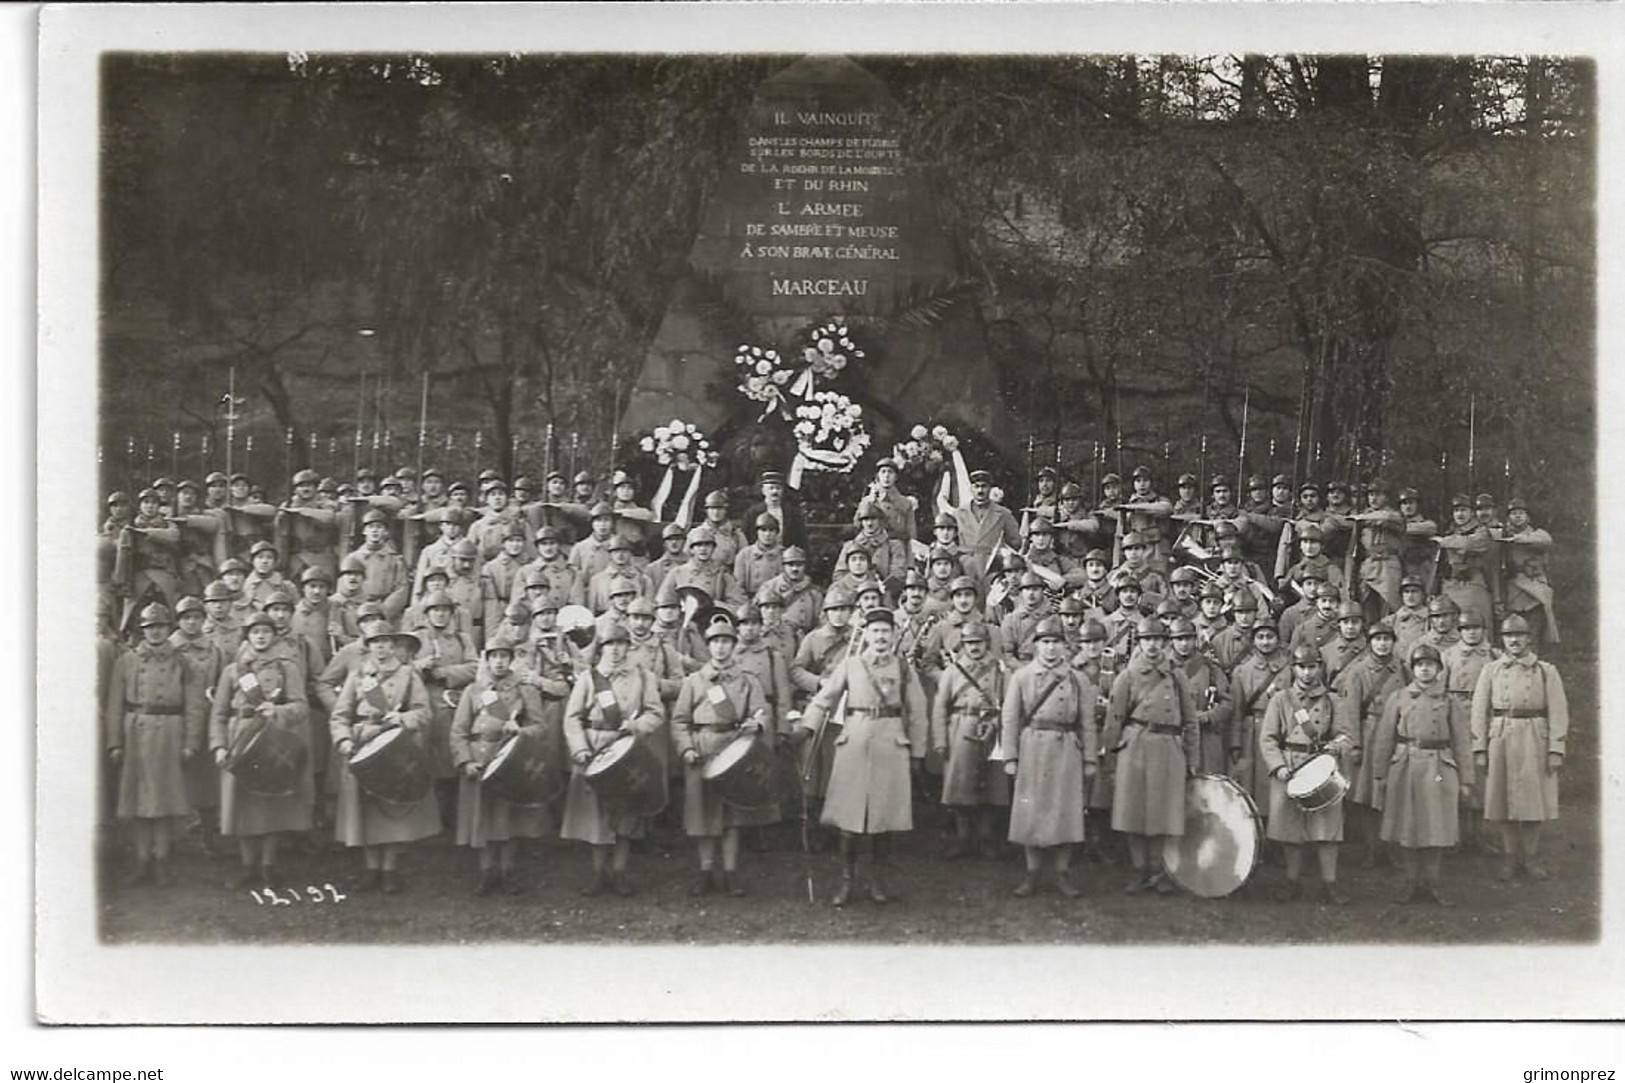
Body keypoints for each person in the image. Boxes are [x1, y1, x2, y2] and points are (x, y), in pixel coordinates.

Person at [793, 606, 931, 907]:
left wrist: (918, 753)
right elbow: (824, 698)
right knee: (849, 819)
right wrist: (806, 728)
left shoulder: (904, 669)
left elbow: (918, 714)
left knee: (884, 818)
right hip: (854, 744)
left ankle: (877, 881)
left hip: (890, 746)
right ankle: (847, 881)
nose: (880, 636)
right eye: (875, 631)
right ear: (866, 634)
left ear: (893, 635)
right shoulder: (851, 664)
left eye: (885, 631)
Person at [329, 624, 442, 893]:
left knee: (390, 811)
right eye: (375, 642)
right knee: (366, 809)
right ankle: (371, 869)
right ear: (368, 646)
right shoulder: (358, 675)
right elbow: (340, 715)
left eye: (385, 642)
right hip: (363, 744)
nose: (380, 647)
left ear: (394, 646)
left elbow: (424, 712)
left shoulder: (408, 675)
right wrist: (343, 739)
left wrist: (402, 718)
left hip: (395, 745)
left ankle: (389, 869)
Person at [209, 608, 315, 890]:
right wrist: (219, 746)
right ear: (248, 636)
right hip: (240, 740)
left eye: (265, 632)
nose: (260, 637)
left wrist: (277, 711)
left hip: (271, 740)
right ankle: (247, 866)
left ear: (274, 636)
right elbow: (219, 713)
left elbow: (301, 707)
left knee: (271, 803)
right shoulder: (233, 671)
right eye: (255, 632)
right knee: (242, 805)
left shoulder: (287, 667)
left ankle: (268, 866)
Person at [671, 612, 775, 897]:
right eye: (715, 641)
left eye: (726, 641)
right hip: (703, 749)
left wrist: (758, 723)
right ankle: (705, 872)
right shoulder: (695, 681)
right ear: (708, 645)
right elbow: (679, 720)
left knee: (732, 818)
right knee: (703, 817)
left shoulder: (747, 680)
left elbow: (762, 710)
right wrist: (687, 747)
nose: (720, 647)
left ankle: (730, 873)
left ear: (733, 644)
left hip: (735, 750)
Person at [560, 623, 667, 897]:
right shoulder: (589, 678)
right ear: (601, 648)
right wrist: (580, 748)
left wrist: (636, 726)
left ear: (628, 647)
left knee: (625, 813)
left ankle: (619, 872)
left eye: (621, 644)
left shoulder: (643, 677)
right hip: (595, 747)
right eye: (610, 644)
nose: (616, 650)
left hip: (627, 749)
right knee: (597, 813)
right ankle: (599, 873)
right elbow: (572, 717)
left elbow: (656, 713)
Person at [105, 603, 207, 886]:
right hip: (136, 732)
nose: (156, 632)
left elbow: (195, 706)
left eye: (161, 626)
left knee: (163, 800)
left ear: (169, 628)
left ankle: (161, 861)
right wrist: (115, 742)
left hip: (170, 734)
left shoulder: (183, 661)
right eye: (150, 627)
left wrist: (191, 743)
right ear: (142, 630)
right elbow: (114, 704)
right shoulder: (127, 660)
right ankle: (142, 861)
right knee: (139, 802)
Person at [449, 632, 554, 896]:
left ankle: (507, 871)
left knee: (509, 819)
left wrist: (520, 730)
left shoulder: (524, 690)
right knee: (483, 817)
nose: (499, 662)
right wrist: (465, 761)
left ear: (511, 659)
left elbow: (540, 727)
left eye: (504, 657)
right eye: (494, 657)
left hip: (510, 760)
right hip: (480, 759)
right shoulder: (473, 690)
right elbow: (458, 731)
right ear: (486, 659)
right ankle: (486, 872)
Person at [1371, 641, 1475, 905]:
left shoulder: (1449, 701)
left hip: (1439, 766)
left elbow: (1462, 741)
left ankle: (1432, 883)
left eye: (1430, 665)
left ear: (1439, 669)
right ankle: (1410, 882)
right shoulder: (1400, 697)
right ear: (1413, 669)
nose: (1425, 670)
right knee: (1408, 826)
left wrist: (1466, 779)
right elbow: (1385, 738)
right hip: (1406, 766)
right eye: (1419, 665)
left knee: (1436, 827)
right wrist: (1380, 774)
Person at [1001, 617, 1098, 897]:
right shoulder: (1021, 677)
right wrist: (1011, 757)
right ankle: (1031, 873)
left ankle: (1061, 873)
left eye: (1056, 642)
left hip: (1066, 749)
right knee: (1030, 811)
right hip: (1032, 748)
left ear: (1065, 646)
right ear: (1036, 646)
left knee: (1064, 811)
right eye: (1045, 642)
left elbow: (1087, 723)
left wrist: (1090, 759)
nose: (1051, 649)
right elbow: (1010, 719)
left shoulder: (1077, 679)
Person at [1471, 614, 1571, 882]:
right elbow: (1479, 711)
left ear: (1529, 638)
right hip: (1501, 736)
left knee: (1533, 801)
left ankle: (1530, 858)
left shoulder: (1545, 670)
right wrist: (1479, 747)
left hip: (1534, 737)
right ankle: (1509, 858)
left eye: (1519, 635)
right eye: (1508, 636)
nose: (1514, 640)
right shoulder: (1490, 670)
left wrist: (1555, 749)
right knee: (1502, 800)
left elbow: (1559, 711)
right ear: (1502, 640)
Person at [1103, 617, 1199, 894]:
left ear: (1166, 643)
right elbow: (1114, 720)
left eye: (1158, 640)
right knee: (1133, 811)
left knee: (1163, 812)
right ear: (1140, 643)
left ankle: (1159, 871)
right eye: (1147, 640)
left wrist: (1192, 759)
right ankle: (1139, 869)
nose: (1153, 646)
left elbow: (1190, 721)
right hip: (1135, 746)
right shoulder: (1128, 676)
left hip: (1168, 747)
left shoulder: (1176, 675)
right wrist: (1111, 760)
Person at [1259, 644, 1355, 903]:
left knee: (1328, 832)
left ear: (1320, 668)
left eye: (1312, 667)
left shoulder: (1333, 700)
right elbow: (1268, 738)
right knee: (1291, 832)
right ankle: (1292, 883)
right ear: (1294, 669)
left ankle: (1329, 884)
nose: (1307, 673)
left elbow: (1346, 735)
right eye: (1302, 667)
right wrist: (1278, 766)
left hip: (1323, 767)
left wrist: (1339, 745)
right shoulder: (1281, 700)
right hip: (1290, 769)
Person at [933, 620, 1010, 861]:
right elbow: (939, 708)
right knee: (960, 787)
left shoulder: (999, 669)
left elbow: (1008, 704)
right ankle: (963, 838)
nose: (974, 647)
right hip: (960, 729)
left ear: (987, 643)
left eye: (978, 642)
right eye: (969, 643)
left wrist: (996, 725)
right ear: (962, 645)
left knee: (991, 787)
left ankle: (987, 837)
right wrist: (940, 741)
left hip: (991, 729)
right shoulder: (953, 671)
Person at [1336, 620, 1404, 869]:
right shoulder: (1358, 671)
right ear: (1370, 643)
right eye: (1377, 639)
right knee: (1366, 795)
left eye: (1387, 639)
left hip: (1395, 734)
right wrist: (1354, 744)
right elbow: (1350, 710)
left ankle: (1389, 848)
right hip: (1369, 733)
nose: (1382, 644)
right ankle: (1372, 847)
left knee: (1390, 792)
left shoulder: (1402, 670)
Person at [169, 595, 224, 857]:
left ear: (204, 620)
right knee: (170, 777)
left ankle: (208, 835)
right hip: (173, 720)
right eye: (186, 618)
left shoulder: (213, 649)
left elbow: (222, 683)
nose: (192, 623)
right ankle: (166, 839)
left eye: (197, 617)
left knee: (205, 780)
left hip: (205, 718)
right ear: (178, 621)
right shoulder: (168, 648)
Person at [1443, 609, 1499, 853]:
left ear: (1483, 630)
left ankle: (1478, 836)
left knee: (1478, 777)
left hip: (1484, 719)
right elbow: (1440, 689)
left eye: (1476, 628)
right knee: (1455, 777)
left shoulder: (1493, 655)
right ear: (1459, 631)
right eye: (1466, 628)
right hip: (1456, 715)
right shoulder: (1448, 656)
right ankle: (1454, 837)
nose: (1471, 632)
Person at [1227, 616, 1290, 816]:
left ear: (1278, 640)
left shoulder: (1289, 670)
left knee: (1277, 786)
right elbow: (1236, 710)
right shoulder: (1242, 671)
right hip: (1251, 733)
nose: (1265, 641)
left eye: (1270, 636)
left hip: (1280, 732)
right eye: (1260, 637)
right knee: (1250, 786)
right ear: (1253, 640)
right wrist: (1235, 742)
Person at [1169, 617, 1232, 775]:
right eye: (1179, 639)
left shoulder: (1210, 668)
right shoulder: (1163, 668)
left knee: (1205, 789)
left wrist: (1207, 716)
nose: (1184, 644)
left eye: (1188, 638)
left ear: (1195, 640)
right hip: (1172, 738)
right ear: (1172, 641)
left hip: (1205, 738)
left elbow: (1228, 704)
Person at [1497, 497, 1558, 645]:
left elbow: (1546, 540)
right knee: (1512, 634)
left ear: (1528, 517)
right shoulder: (1502, 533)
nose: (1517, 516)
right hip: (1512, 591)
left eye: (1521, 513)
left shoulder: (1537, 534)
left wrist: (1518, 538)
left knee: (1532, 635)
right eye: (1513, 513)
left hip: (1534, 592)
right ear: (1508, 517)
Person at [954, 469, 1021, 587]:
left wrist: (1000, 555)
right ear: (971, 489)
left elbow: (1015, 542)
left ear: (990, 488)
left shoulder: (1003, 513)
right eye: (976, 486)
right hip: (965, 565)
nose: (980, 490)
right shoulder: (959, 513)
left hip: (992, 566)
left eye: (984, 486)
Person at [733, 512, 786, 600]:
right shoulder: (744, 555)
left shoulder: (784, 555)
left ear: (777, 533)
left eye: (771, 530)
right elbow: (738, 587)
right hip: (750, 601)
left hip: (778, 602)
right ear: (757, 532)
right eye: (763, 530)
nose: (767, 534)